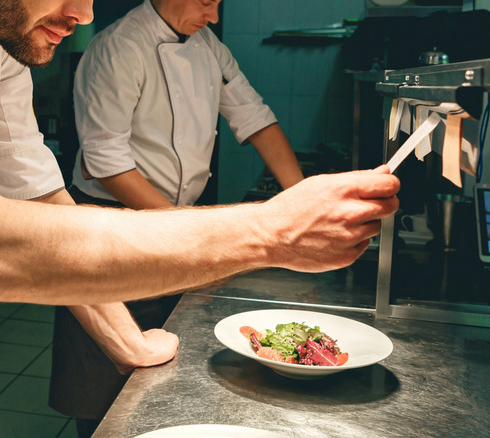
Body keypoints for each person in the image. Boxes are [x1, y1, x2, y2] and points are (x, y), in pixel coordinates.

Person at [0, 0, 399, 435]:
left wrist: (127, 340)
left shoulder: (2, 48)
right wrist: (272, 231)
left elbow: (39, 198)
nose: (84, 14)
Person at [49, 0, 305, 433]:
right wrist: (187, 232)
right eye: (207, 1)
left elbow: (255, 118)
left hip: (169, 217)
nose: (215, 15)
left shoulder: (206, 45)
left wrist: (301, 203)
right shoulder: (119, 46)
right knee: (101, 382)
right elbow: (107, 164)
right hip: (113, 224)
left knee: (165, 372)